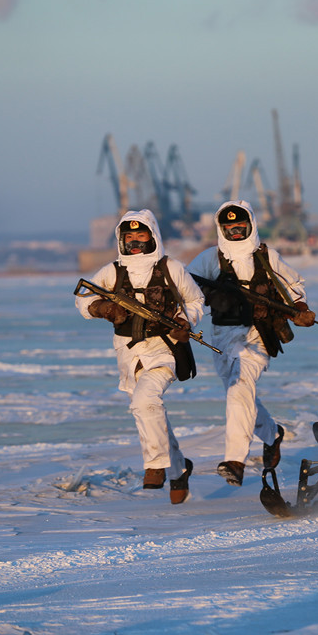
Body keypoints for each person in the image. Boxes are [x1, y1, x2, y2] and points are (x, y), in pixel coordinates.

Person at [75, 209, 205, 504]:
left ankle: (155, 466)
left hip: (164, 349)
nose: (134, 241)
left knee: (145, 401)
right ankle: (179, 469)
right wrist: (102, 308)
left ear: (152, 236)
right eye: (129, 236)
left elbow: (196, 299)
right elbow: (83, 299)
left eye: (141, 235)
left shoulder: (171, 267)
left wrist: (184, 320)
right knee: (151, 413)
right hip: (128, 354)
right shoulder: (113, 271)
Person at [187, 200, 316, 486]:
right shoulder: (209, 258)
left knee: (239, 389)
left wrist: (300, 309)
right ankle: (273, 434)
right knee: (241, 396)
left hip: (258, 335)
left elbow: (294, 286)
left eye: (240, 225)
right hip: (222, 336)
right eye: (229, 226)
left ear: (250, 225)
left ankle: (235, 460)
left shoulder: (267, 256)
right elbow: (186, 290)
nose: (235, 230)